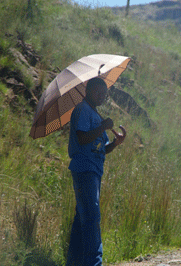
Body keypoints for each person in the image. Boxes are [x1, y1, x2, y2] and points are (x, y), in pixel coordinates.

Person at [66, 77, 126, 266]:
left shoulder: (94, 113)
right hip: (85, 169)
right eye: (97, 92)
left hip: (94, 170)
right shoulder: (83, 110)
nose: (101, 96)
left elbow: (101, 148)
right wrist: (103, 126)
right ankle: (94, 263)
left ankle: (73, 263)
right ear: (87, 91)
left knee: (81, 220)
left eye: (104, 94)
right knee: (92, 218)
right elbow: (82, 138)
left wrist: (115, 143)